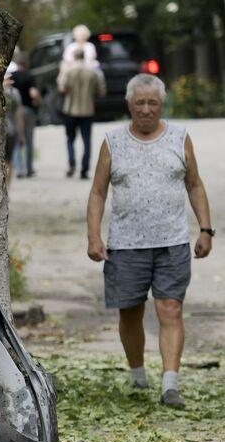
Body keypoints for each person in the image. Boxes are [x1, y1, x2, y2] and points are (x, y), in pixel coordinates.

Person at [86, 73, 213, 408]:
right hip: (125, 245)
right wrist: (93, 236)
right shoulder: (112, 142)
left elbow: (195, 185)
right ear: (130, 104)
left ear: (161, 105)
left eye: (152, 103)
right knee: (130, 313)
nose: (145, 109)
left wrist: (205, 228)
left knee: (170, 308)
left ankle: (170, 384)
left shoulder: (179, 138)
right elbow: (98, 193)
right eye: (139, 103)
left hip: (172, 243)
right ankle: (138, 375)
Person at [58, 46, 105, 179]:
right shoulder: (93, 72)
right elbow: (101, 91)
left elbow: (62, 88)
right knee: (86, 141)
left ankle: (72, 163)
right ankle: (84, 169)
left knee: (70, 139)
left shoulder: (68, 71)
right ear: (84, 56)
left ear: (74, 57)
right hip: (87, 110)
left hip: (70, 109)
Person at [8, 51, 40, 177]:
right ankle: (29, 169)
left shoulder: (12, 76)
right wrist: (38, 103)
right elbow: (34, 93)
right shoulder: (30, 76)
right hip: (28, 110)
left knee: (16, 140)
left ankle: (19, 169)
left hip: (15, 110)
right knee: (29, 140)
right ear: (27, 63)